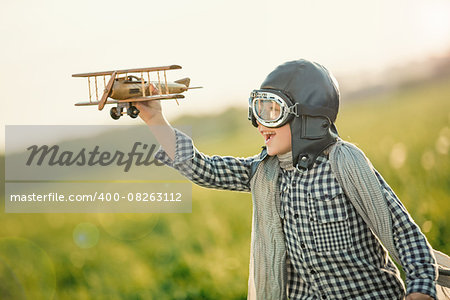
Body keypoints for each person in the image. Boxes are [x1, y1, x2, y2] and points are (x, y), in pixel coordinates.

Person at [135, 59, 438, 299]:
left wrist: (421, 288)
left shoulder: (345, 164)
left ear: (306, 116)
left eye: (271, 111)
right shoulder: (264, 172)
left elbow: (403, 233)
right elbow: (204, 169)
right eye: (257, 110)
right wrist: (155, 120)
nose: (259, 124)